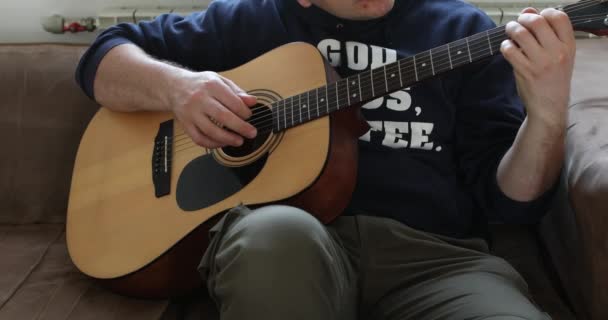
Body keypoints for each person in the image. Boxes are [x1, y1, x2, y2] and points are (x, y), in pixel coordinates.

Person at [75, 0, 575, 319]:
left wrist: (548, 112)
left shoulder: (463, 30)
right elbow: (102, 56)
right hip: (290, 248)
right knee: (274, 235)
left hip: (437, 261)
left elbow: (512, 204)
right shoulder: (249, 19)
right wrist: (179, 87)